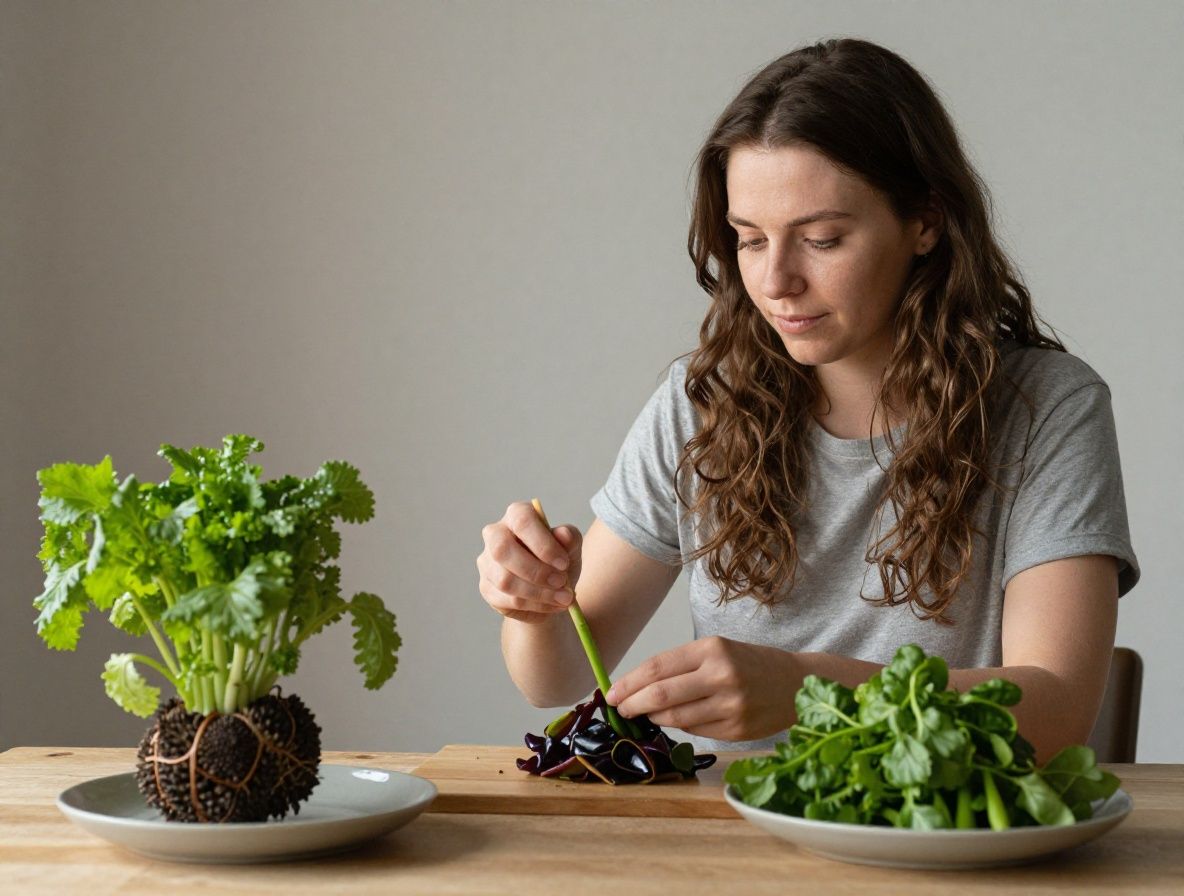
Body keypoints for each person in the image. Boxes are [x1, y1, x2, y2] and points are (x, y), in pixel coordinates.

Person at [475, 38, 1138, 761]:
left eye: (821, 239)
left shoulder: (1046, 407)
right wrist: (532, 606)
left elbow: (1058, 707)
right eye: (749, 240)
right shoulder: (702, 402)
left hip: (946, 851)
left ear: (926, 221)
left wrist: (805, 686)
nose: (776, 281)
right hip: (743, 850)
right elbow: (556, 677)